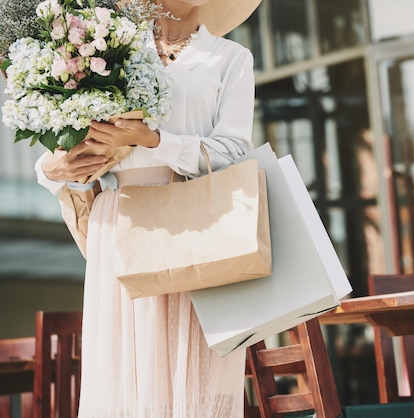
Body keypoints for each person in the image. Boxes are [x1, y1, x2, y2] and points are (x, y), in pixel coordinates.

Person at [34, 0, 261, 416]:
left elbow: (233, 153)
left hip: (199, 225)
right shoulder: (102, 49)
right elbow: (61, 142)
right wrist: (52, 166)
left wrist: (152, 140)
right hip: (120, 222)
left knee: (193, 377)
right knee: (123, 377)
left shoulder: (231, 59)